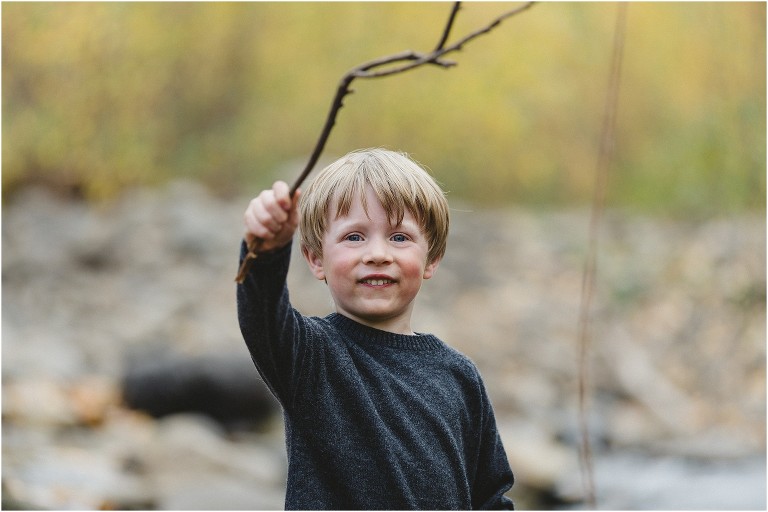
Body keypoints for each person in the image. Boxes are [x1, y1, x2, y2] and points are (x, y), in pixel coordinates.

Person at [237, 148, 515, 510]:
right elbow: (261, 316)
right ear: (316, 259)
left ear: (432, 258)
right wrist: (266, 249)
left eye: (399, 237)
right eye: (354, 237)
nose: (378, 253)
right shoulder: (309, 357)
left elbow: (491, 495)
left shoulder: (459, 376)